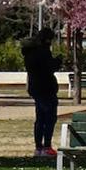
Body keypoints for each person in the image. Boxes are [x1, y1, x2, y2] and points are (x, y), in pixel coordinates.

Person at [21, 28, 63, 157]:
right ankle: (47, 146)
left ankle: (38, 147)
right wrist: (58, 61)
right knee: (49, 118)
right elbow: (50, 67)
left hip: (36, 89)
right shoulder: (43, 53)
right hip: (46, 89)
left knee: (40, 119)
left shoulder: (29, 54)